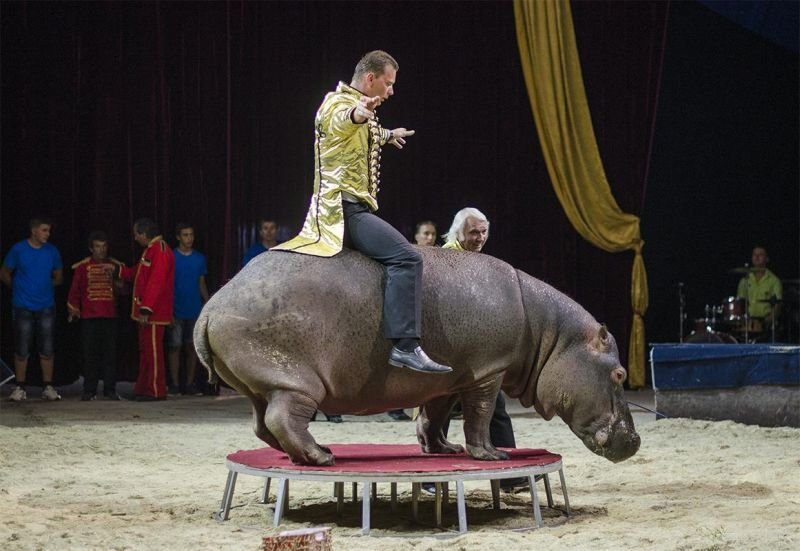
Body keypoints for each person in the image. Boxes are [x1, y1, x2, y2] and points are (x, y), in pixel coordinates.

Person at [272, 50, 450, 375]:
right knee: (408, 259)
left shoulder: (360, 108)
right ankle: (405, 346)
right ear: (371, 79)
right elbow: (342, 123)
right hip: (343, 213)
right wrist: (357, 113)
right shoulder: (337, 104)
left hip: (350, 206)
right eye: (389, 83)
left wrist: (387, 135)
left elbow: (363, 132)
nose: (391, 91)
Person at [441, 207, 526, 492]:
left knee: (494, 408)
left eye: (483, 232)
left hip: (470, 355)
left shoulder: (474, 259)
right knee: (437, 413)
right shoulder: (447, 259)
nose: (479, 238)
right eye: (473, 232)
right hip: (451, 354)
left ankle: (510, 477)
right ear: (458, 232)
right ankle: (429, 480)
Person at [1, 216, 64, 401]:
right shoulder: (18, 249)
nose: (47, 234)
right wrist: (18, 287)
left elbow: (59, 277)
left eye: (49, 231)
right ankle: (20, 387)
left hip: (46, 306)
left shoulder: (52, 251)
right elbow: (4, 272)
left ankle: (48, 386)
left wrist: (44, 285)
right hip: (22, 306)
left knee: (47, 348)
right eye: (44, 230)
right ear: (34, 230)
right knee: (22, 348)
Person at [386, 219, 441, 421]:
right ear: (416, 236)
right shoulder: (405, 257)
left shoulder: (438, 258)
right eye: (426, 233)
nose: (430, 238)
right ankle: (395, 408)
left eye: (433, 234)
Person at [115, 218, 175, 401]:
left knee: (154, 353)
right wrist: (118, 271)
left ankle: (156, 390)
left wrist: (146, 309)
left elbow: (155, 282)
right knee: (145, 352)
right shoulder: (151, 250)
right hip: (146, 313)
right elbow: (138, 274)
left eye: (136, 234)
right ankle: (143, 388)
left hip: (154, 314)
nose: (135, 238)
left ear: (143, 233)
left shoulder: (161, 250)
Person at [67, 231, 123, 401]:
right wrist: (74, 309)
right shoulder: (83, 267)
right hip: (89, 317)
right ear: (91, 248)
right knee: (90, 355)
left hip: (109, 316)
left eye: (104, 246)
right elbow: (75, 290)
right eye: (98, 246)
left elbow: (124, 290)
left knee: (110, 355)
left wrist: (115, 277)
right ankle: (89, 390)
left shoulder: (115, 266)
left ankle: (110, 390)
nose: (101, 250)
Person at [167, 223, 210, 396]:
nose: (189, 238)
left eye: (191, 235)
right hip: (176, 308)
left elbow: (201, 282)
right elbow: (167, 284)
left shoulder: (199, 258)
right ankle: (175, 385)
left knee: (192, 347)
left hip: (194, 309)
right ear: (178, 237)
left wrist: (207, 303)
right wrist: (167, 309)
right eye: (185, 235)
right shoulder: (171, 256)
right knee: (174, 347)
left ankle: (190, 384)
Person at [736, 246, 783, 328]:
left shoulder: (774, 281)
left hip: (766, 322)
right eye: (754, 254)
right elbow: (740, 303)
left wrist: (768, 321)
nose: (757, 257)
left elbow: (778, 305)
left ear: (767, 259)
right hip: (748, 322)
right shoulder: (744, 281)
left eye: (760, 254)